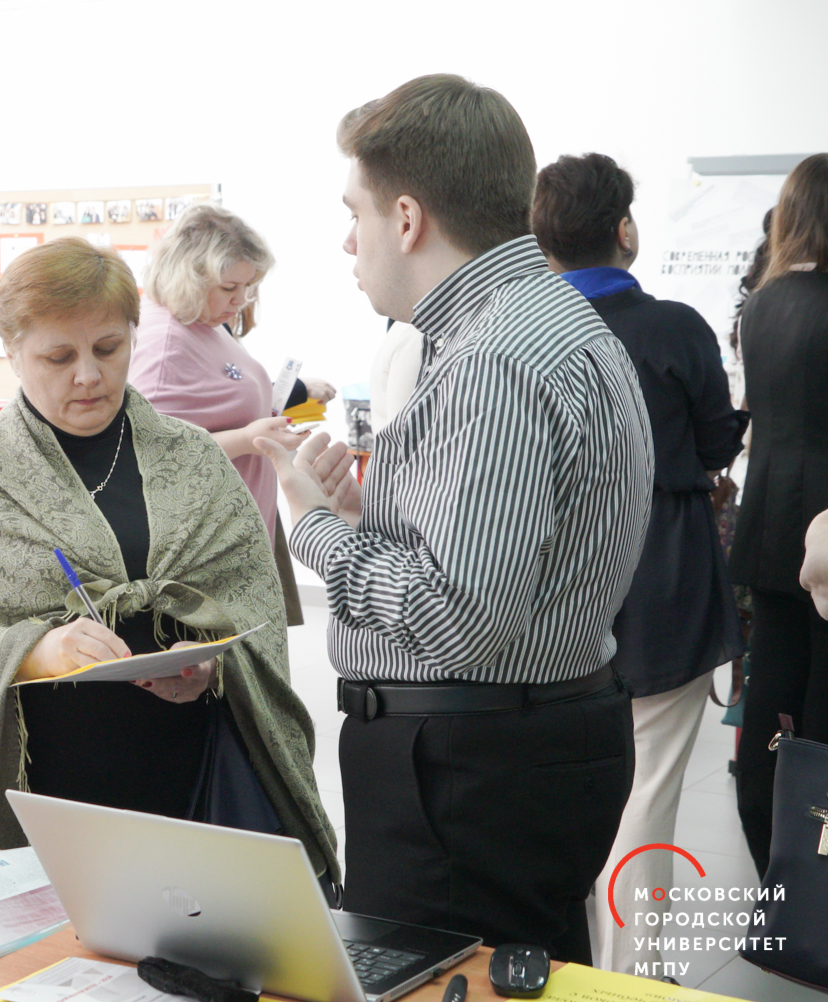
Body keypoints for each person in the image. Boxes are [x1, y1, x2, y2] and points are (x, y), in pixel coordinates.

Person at [262, 75, 652, 962]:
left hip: (468, 769)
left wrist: (316, 527)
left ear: (406, 220)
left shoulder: (491, 360)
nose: (347, 239)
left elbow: (459, 619)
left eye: (354, 212)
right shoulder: (550, 320)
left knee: (441, 978)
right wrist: (373, 518)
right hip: (524, 743)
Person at [0, 239, 340, 887]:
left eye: (108, 348)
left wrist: (213, 665)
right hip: (43, 797)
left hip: (189, 782)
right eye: (59, 357)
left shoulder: (193, 459)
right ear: (12, 352)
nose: (89, 375)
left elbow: (249, 607)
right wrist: (34, 652)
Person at [532, 152, 750, 974]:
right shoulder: (675, 328)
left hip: (553, 581)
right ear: (624, 229)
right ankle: (632, 975)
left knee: (569, 788)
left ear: (542, 240)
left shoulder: (523, 337)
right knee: (649, 786)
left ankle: (578, 961)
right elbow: (716, 441)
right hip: (665, 575)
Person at [129, 203, 334, 626]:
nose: (241, 300)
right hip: (206, 556)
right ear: (189, 277)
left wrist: (265, 424)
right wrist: (249, 439)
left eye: (248, 286)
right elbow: (150, 457)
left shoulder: (202, 322)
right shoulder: (164, 345)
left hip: (237, 530)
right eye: (229, 288)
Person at [728, 153, 828, 877]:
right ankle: (813, 859)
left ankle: (773, 851)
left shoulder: (760, 306)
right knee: (820, 705)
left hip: (768, 521)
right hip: (823, 527)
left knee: (770, 693)